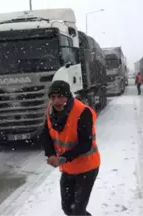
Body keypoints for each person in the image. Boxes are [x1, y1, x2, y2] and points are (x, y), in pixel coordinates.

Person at [42, 80, 101, 216]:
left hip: (87, 167)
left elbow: (85, 144)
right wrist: (50, 154)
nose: (56, 101)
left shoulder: (82, 112)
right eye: (53, 97)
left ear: (68, 96)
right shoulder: (50, 111)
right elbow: (45, 133)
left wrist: (63, 158)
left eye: (60, 96)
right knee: (67, 208)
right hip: (68, 168)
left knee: (77, 211)